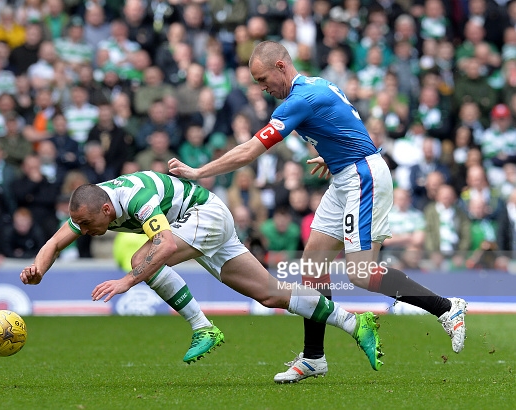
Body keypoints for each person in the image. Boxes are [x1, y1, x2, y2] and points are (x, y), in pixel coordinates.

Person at [168, 40, 467, 383]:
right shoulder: (319, 84)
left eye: (264, 80)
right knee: (312, 266)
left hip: (361, 177)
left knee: (361, 273)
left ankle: (446, 307)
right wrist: (334, 152)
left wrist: (198, 172)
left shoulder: (300, 99)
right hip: (345, 173)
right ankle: (314, 358)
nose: (263, 89)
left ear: (281, 66)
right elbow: (347, 122)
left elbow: (251, 150)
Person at [20, 171, 383, 370]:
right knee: (269, 292)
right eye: (79, 225)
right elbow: (53, 243)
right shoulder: (90, 208)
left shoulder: (136, 197)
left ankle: (202, 327)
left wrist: (127, 281)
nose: (83, 231)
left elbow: (164, 246)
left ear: (104, 209)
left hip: (204, 215)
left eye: (86, 224)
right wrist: (38, 268)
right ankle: (355, 323)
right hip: (197, 220)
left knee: (141, 260)